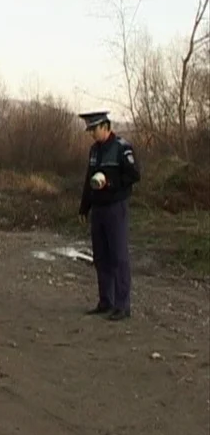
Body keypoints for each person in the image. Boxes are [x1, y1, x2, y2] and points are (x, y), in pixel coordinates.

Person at [78, 111, 141, 321]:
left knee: (118, 256)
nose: (92, 134)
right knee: (101, 257)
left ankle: (123, 306)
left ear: (105, 126)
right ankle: (106, 301)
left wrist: (111, 183)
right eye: (90, 130)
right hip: (98, 209)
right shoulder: (94, 151)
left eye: (94, 129)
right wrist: (84, 207)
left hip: (115, 207)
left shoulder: (122, 148)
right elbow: (89, 180)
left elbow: (134, 175)